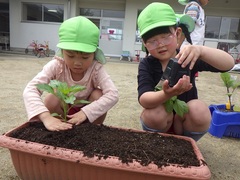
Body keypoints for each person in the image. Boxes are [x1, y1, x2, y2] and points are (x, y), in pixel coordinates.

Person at [137, 2, 235, 141]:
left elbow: (228, 64)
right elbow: (144, 99)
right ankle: (156, 142)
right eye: (152, 41)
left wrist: (200, 50)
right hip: (161, 124)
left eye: (165, 36)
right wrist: (166, 94)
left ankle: (186, 144)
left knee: (199, 109)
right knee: (154, 112)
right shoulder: (147, 64)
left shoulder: (187, 57)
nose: (160, 44)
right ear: (144, 44)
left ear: (177, 33)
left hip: (184, 124)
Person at [23, 16, 119, 131]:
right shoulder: (57, 65)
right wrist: (46, 117)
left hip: (88, 111)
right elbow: (30, 89)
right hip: (62, 110)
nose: (77, 63)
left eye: (85, 57)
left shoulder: (96, 68)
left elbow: (113, 94)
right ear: (62, 52)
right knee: (52, 97)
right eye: (70, 56)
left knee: (98, 94)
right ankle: (59, 128)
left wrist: (86, 112)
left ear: (94, 54)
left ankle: (92, 131)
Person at [179, 0, 210, 79]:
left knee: (190, 71)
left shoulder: (198, 7)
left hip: (193, 46)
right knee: (185, 71)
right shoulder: (194, 6)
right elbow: (187, 25)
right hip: (189, 46)